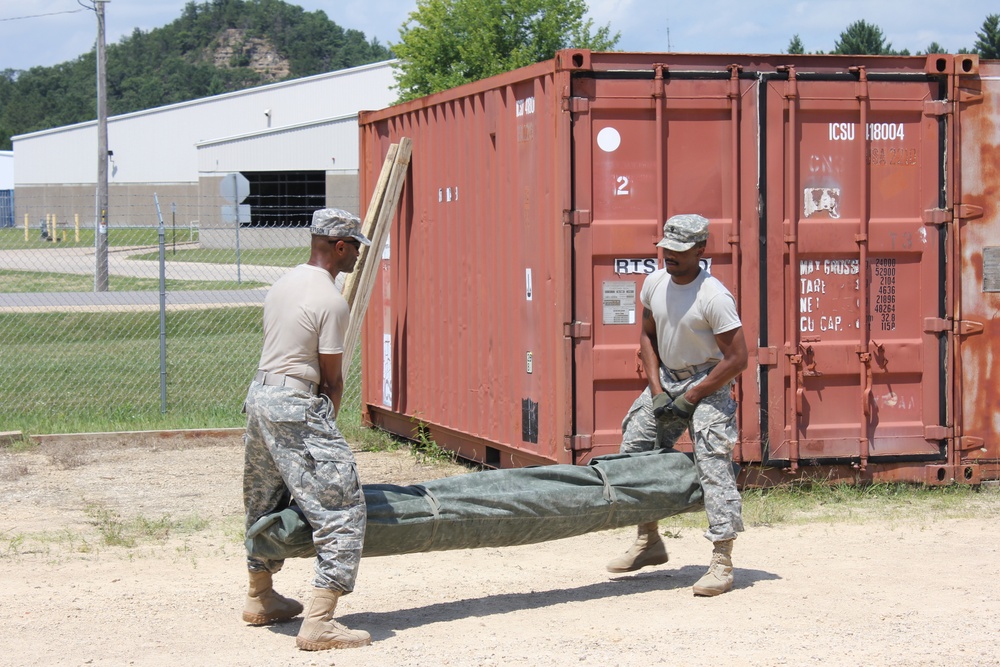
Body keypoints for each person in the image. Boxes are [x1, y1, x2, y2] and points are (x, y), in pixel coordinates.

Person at [241, 208, 372, 650]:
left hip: (260, 398)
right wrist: (325, 435)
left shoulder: (283, 284)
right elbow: (332, 381)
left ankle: (261, 597)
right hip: (297, 404)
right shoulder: (331, 301)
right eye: (354, 246)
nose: (357, 254)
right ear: (339, 246)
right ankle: (320, 623)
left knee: (265, 500)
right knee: (343, 506)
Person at [605, 214, 749, 597]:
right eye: (667, 248)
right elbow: (647, 336)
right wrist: (656, 392)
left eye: (680, 250)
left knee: (713, 462)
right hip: (667, 379)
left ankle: (722, 561)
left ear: (701, 250)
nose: (670, 255)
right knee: (633, 454)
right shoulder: (654, 283)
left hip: (709, 382)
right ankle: (648, 540)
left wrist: (694, 396)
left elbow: (737, 359)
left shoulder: (713, 296)